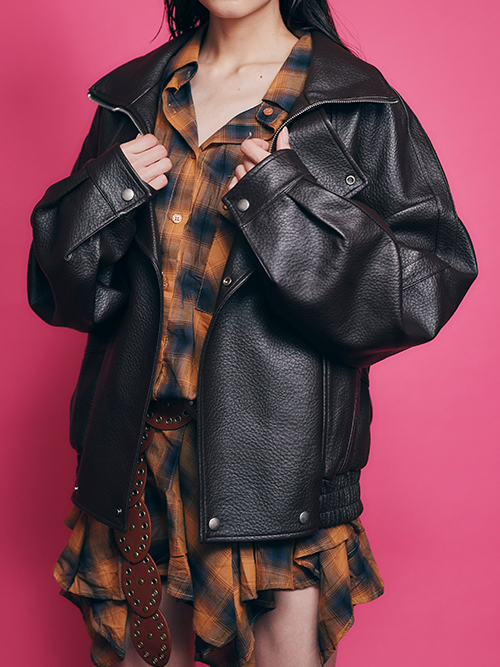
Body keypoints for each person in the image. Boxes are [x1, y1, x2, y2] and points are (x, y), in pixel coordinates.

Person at [28, 1, 477, 666]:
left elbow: (419, 293)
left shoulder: (355, 105)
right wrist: (107, 192)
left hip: (275, 466)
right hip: (134, 458)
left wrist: (287, 203)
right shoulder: (134, 99)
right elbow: (62, 294)